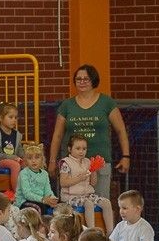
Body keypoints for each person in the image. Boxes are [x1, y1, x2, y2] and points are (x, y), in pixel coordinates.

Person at [49, 64, 131, 206]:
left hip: (99, 162)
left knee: (100, 204)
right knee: (72, 206)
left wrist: (126, 156)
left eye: (86, 79)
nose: (82, 82)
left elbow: (121, 130)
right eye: (78, 79)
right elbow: (57, 135)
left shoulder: (106, 102)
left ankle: (99, 230)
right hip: (72, 165)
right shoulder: (67, 105)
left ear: (93, 80)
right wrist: (51, 161)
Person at [57, 135, 115, 231]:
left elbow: (93, 183)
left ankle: (110, 233)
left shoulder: (87, 162)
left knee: (106, 202)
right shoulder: (66, 163)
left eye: (84, 149)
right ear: (69, 149)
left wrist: (93, 170)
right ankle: (90, 231)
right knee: (88, 204)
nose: (81, 151)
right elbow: (63, 183)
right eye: (78, 148)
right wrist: (80, 178)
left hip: (87, 195)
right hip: (71, 197)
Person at [0, 101, 24, 187]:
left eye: (15, 117)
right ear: (0, 118)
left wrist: (26, 157)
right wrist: (10, 157)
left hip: (14, 159)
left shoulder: (16, 134)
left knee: (30, 163)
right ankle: (17, 193)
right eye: (10, 117)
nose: (14, 120)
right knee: (14, 165)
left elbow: (20, 151)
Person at [14, 142, 58, 213]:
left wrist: (52, 199)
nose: (33, 161)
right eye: (30, 158)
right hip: (24, 202)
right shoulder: (24, 173)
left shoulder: (44, 174)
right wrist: (43, 200)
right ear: (26, 160)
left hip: (41, 200)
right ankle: (39, 224)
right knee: (38, 208)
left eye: (37, 157)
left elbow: (48, 190)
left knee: (58, 207)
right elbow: (27, 194)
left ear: (42, 159)